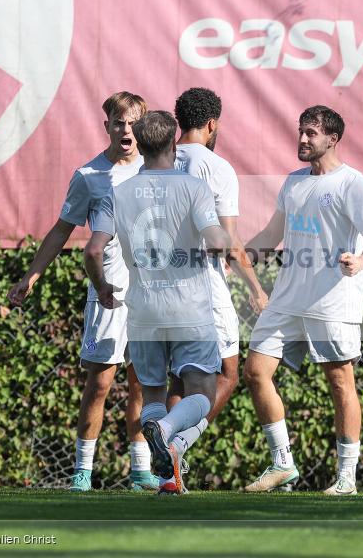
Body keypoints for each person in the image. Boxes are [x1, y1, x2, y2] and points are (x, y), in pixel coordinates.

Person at [7, 92, 159, 492]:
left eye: (133, 123)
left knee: (143, 382)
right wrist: (31, 276)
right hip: (108, 293)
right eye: (119, 122)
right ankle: (83, 471)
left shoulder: (158, 168)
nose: (126, 130)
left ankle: (140, 470)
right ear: (106, 126)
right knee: (101, 383)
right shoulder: (89, 175)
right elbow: (62, 229)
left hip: (150, 294)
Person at [242, 105, 363, 495]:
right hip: (287, 300)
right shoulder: (293, 182)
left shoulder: (353, 183)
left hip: (332, 302)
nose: (303, 139)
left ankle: (347, 478)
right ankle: (282, 464)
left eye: (311, 133)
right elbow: (271, 234)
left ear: (332, 139)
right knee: (255, 372)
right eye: (301, 131)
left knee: (340, 384)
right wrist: (237, 258)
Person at [85, 110, 231, 494]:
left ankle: (167, 478)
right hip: (189, 308)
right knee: (203, 393)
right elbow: (217, 240)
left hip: (143, 309)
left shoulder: (118, 193)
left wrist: (102, 286)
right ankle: (166, 430)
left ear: (142, 144)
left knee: (152, 392)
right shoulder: (194, 188)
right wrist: (219, 242)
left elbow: (93, 250)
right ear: (173, 145)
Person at [165, 87, 269, 468]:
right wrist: (255, 288)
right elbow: (227, 241)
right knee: (228, 373)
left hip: (160, 283)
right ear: (212, 124)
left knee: (179, 378)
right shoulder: (216, 167)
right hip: (202, 283)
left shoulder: (156, 160)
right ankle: (176, 443)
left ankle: (167, 468)